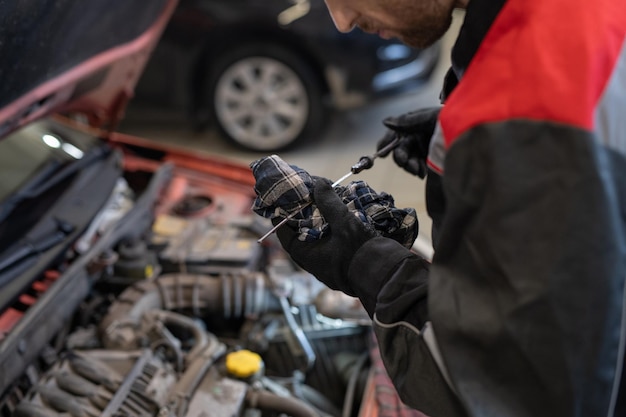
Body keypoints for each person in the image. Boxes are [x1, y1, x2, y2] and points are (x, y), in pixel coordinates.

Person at [257, 0, 626, 416]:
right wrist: (456, 142)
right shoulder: (561, 23)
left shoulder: (523, 107)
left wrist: (363, 260)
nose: (341, 21)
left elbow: (501, 389)